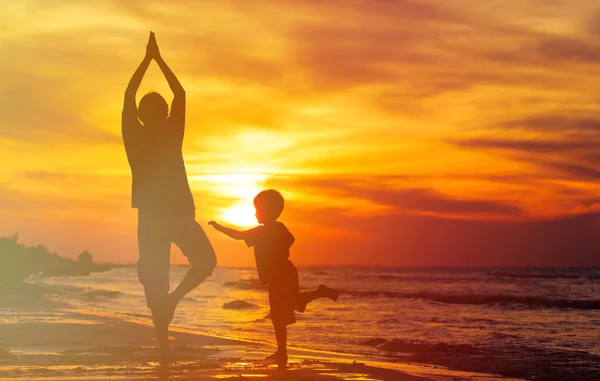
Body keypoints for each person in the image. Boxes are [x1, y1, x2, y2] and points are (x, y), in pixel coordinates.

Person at [122, 32, 217, 365]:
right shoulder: (170, 131)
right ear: (163, 112)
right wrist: (157, 59)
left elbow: (129, 93)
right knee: (204, 263)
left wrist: (146, 60)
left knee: (156, 285)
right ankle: (172, 306)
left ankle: (165, 343)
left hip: (152, 218)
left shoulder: (133, 134)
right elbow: (180, 92)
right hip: (174, 214)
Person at [208, 189, 338, 368]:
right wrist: (220, 228)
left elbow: (290, 239)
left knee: (283, 312)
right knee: (285, 312)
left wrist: (274, 246)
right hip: (276, 276)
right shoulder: (260, 232)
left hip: (283, 274)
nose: (255, 213)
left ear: (271, 211)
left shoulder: (276, 228)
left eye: (258, 210)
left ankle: (282, 352)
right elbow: (239, 235)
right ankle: (282, 351)